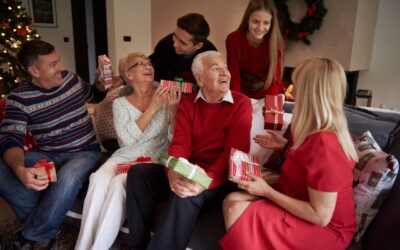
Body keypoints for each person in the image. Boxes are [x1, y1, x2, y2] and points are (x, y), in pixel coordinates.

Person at [220, 58, 358, 250]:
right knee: (231, 200)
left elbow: (321, 216)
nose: (292, 89)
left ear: (311, 92)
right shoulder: (311, 128)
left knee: (236, 207)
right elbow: (308, 163)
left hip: (328, 231)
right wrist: (284, 146)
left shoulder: (326, 144)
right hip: (301, 201)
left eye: (298, 84)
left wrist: (266, 191)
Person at [126, 51, 252, 250]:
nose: (225, 73)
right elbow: (180, 143)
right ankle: (136, 245)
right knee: (139, 173)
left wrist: (204, 180)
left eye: (225, 67)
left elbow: (234, 154)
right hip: (190, 169)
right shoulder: (188, 103)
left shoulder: (241, 103)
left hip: (219, 178)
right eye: (216, 68)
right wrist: (173, 171)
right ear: (200, 79)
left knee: (185, 193)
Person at [0, 40, 114, 249]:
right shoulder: (18, 98)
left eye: (58, 61)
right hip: (48, 154)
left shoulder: (71, 79)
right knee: (2, 166)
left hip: (86, 152)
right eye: (53, 64)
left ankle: (32, 233)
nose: (61, 67)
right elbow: (10, 139)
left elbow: (95, 96)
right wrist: (19, 169)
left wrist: (100, 83)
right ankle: (44, 227)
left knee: (69, 175)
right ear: (34, 70)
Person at [75, 52, 180, 250]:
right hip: (124, 155)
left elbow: (173, 139)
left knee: (117, 185)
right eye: (140, 64)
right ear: (127, 75)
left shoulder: (167, 100)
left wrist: (173, 111)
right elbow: (127, 140)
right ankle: (83, 245)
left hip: (153, 158)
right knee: (97, 178)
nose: (148, 66)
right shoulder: (120, 103)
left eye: (149, 63)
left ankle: (98, 247)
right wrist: (152, 109)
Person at [226, 0, 285, 99]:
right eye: (255, 21)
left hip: (269, 95)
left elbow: (274, 81)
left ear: (272, 23)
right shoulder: (233, 39)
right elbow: (234, 78)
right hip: (243, 94)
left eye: (266, 23)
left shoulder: (277, 44)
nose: (260, 28)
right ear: (247, 19)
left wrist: (270, 108)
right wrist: (237, 102)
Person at [149, 13, 217, 84]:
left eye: (183, 43)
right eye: (175, 36)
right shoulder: (165, 44)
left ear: (198, 46)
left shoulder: (212, 58)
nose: (175, 45)